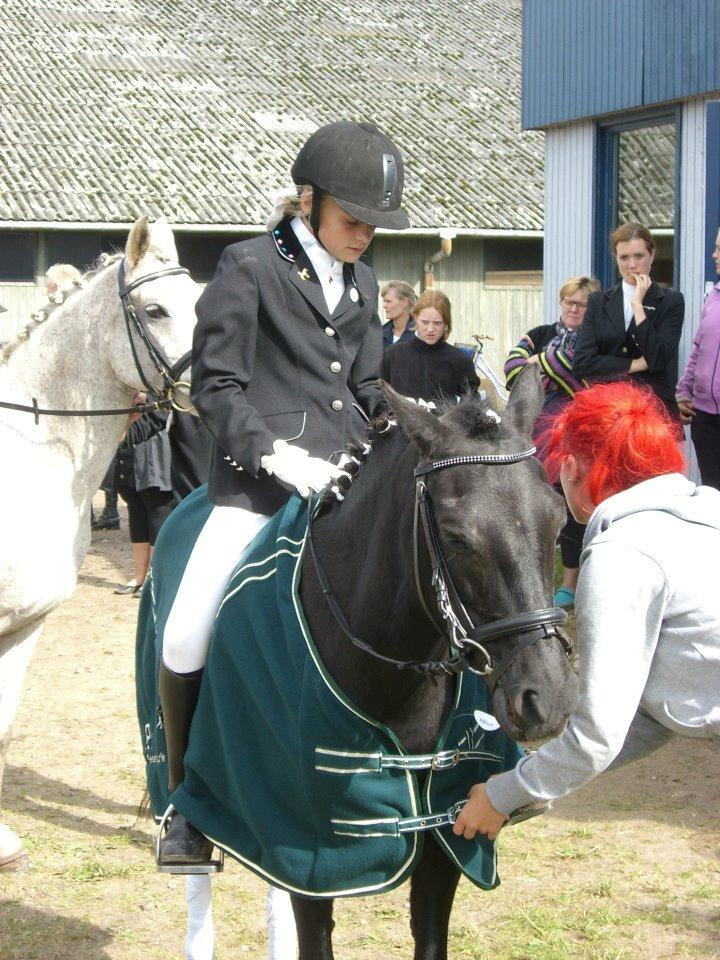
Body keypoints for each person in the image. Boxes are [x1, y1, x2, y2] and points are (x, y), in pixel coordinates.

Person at [157, 121, 409, 878]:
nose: (364, 235)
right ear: (309, 201)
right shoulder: (249, 265)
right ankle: (186, 802)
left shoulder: (364, 284)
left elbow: (364, 387)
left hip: (341, 489)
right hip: (257, 487)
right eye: (352, 219)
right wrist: (272, 452)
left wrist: (406, 423)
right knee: (185, 632)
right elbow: (217, 385)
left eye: (373, 224)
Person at [452, 381, 720, 841]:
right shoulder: (707, 510)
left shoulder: (623, 555)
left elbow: (597, 734)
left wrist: (501, 796)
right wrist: (530, 783)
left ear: (572, 467)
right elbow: (653, 715)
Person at [504, 275, 601, 608]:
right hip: (539, 433)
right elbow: (512, 366)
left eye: (581, 304)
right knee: (536, 504)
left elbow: (584, 371)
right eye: (568, 302)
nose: (573, 309)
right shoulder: (541, 333)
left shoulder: (596, 340)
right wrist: (546, 363)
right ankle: (534, 578)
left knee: (576, 505)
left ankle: (571, 583)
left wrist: (540, 363)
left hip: (580, 435)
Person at [572, 221, 685, 419]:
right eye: (624, 257)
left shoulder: (671, 301)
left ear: (652, 255)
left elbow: (658, 359)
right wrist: (632, 365)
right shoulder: (598, 301)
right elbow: (582, 364)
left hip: (654, 414)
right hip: (607, 413)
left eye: (638, 256)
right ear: (615, 258)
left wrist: (638, 307)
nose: (632, 265)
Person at [676, 227, 720, 491]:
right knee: (712, 493)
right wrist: (684, 392)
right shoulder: (713, 296)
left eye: (719, 249)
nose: (714, 255)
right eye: (716, 248)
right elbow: (698, 349)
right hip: (705, 417)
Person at [381, 288, 480, 401]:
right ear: (415, 318)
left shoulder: (460, 361)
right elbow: (378, 394)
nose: (430, 329)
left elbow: (471, 405)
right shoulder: (393, 354)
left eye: (437, 323)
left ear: (446, 323)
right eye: (425, 322)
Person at [114, 421, 175, 596]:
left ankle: (153, 577)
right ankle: (139, 576)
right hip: (130, 448)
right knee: (135, 509)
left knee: (157, 507)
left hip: (156, 446)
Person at [381, 280, 416, 347]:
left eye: (388, 301)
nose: (384, 306)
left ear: (404, 302)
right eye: (384, 301)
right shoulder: (380, 334)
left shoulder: (420, 334)